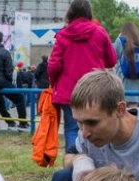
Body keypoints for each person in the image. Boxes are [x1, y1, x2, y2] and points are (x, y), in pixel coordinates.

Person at [48, 0, 116, 150]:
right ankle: (96, 164)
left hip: (68, 92)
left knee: (72, 129)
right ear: (88, 13)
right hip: (96, 90)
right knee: (97, 128)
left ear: (70, 13)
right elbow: (111, 60)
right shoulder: (100, 32)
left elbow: (53, 65)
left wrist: (54, 84)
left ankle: (73, 164)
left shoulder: (63, 35)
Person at [113, 23, 139, 108]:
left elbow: (112, 58)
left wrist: (117, 38)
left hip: (123, 81)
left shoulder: (120, 41)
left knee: (121, 111)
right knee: (133, 111)